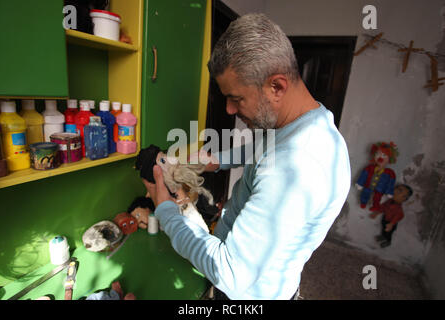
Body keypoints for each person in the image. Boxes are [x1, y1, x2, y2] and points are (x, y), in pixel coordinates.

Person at [144, 13, 351, 300]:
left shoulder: (298, 166)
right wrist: (214, 159)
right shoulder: (298, 120)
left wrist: (165, 208)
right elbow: (264, 149)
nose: (229, 110)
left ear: (276, 86)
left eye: (236, 98)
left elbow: (231, 274)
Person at [370, 184, 413, 248]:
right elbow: (383, 207)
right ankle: (382, 236)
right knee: (383, 229)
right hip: (385, 218)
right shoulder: (389, 201)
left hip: (391, 223)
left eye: (400, 191)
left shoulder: (398, 209)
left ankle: (388, 241)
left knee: (389, 233)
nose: (395, 192)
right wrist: (376, 213)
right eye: (397, 189)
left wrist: (391, 224)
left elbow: (400, 216)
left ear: (404, 198)